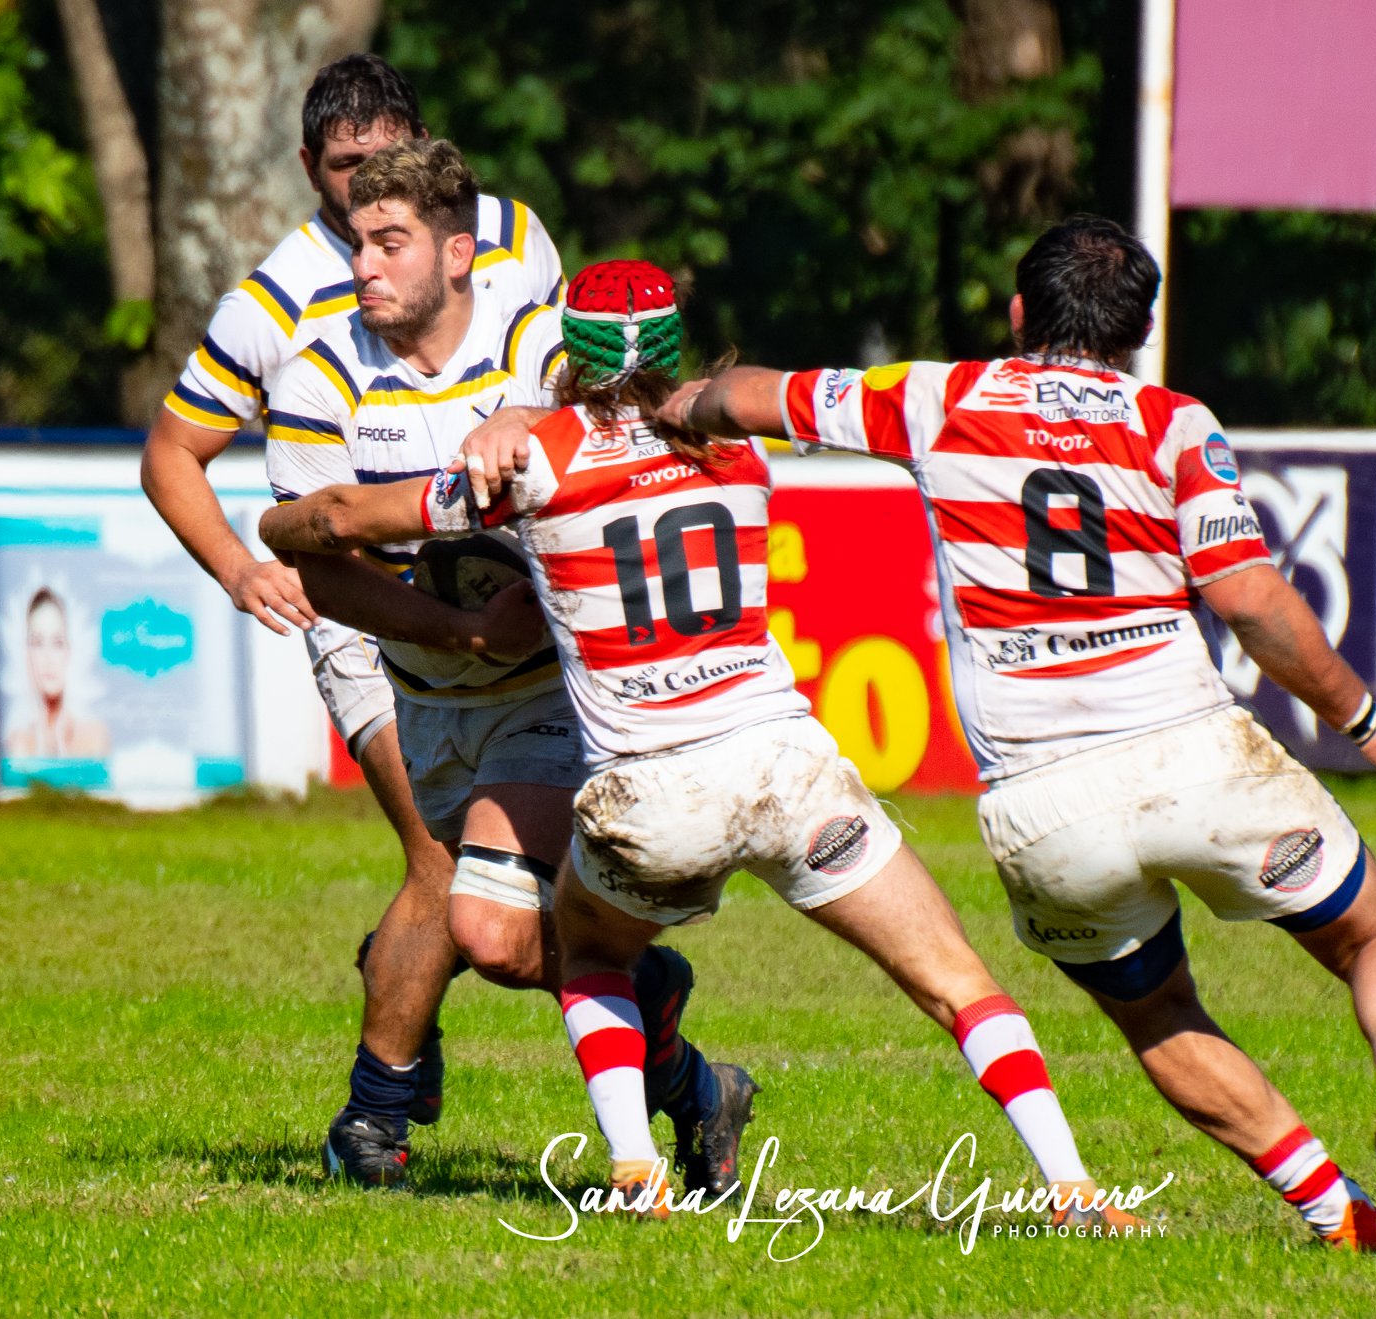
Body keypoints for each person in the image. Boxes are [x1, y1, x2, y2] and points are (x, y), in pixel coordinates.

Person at [660, 214, 1376, 1255]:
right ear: (1140, 329)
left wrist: (670, 405)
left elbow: (747, 396)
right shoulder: (1173, 423)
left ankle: (1335, 1211)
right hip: (1194, 755)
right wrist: (1366, 719)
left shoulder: (936, 396)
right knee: (1375, 935)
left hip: (1043, 802)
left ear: (1017, 312)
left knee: (1157, 1011)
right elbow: (1247, 597)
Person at [262, 257, 1145, 1226]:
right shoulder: (733, 441)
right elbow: (737, 397)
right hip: (786, 768)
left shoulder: (534, 461)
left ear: (566, 350)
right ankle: (1073, 1185)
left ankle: (636, 1170)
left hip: (653, 792)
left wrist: (275, 522)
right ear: (672, 344)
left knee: (590, 955)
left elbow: (338, 517)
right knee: (953, 977)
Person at [257, 145, 743, 1191]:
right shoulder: (315, 375)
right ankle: (675, 1052)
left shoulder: (536, 345)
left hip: (550, 694)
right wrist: (461, 629)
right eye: (356, 244)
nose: (364, 266)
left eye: (390, 243)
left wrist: (531, 417)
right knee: (510, 931)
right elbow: (321, 569)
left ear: (457, 253)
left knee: (478, 921)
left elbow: (629, 426)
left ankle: (375, 1114)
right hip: (427, 692)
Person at [140, 54, 562, 1166]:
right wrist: (240, 567)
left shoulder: (507, 234)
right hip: (358, 602)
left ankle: (395, 1064)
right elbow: (171, 453)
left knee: (480, 878)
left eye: (384, 158)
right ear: (306, 168)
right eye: (340, 166)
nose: (361, 182)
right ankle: (379, 1105)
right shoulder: (274, 301)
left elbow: (559, 393)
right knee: (438, 855)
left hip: (509, 590)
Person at [7, 588, 110, 759]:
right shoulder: (19, 741)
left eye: (58, 643)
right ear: (26, 653)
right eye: (37, 643)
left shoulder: (93, 736)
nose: (48, 658)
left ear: (71, 651)